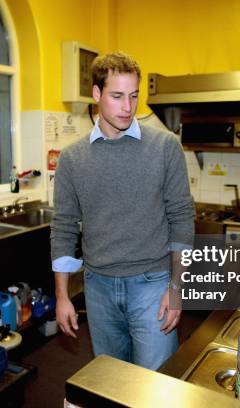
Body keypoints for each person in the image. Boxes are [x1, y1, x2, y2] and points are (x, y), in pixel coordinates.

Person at [50, 51, 195, 370]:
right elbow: (64, 228)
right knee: (111, 382)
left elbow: (182, 220)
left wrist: (176, 288)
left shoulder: (165, 146)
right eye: (117, 96)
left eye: (133, 96)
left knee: (155, 387)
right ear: (97, 94)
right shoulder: (73, 158)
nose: (128, 107)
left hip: (152, 284)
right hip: (98, 287)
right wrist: (62, 296)